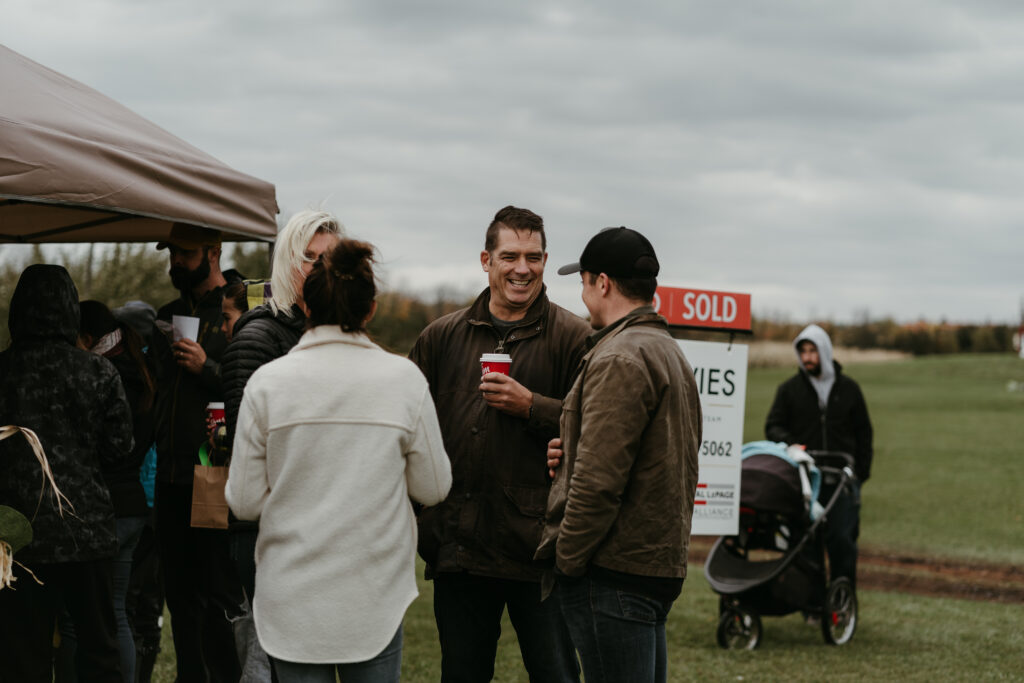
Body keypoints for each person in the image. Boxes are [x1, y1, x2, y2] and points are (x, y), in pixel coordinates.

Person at [226, 238, 452, 683]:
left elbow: (245, 501)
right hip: (373, 595)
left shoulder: (268, 384)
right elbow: (434, 486)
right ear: (370, 310)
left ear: (306, 308)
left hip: (291, 596)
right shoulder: (404, 380)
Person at [409, 205, 590, 683]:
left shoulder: (575, 339)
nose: (522, 269)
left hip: (539, 551)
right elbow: (407, 428)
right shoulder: (441, 337)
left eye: (533, 256)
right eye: (510, 255)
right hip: (460, 548)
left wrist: (534, 407)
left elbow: (599, 428)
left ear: (546, 260)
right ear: (485, 260)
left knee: (556, 675)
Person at [535, 227, 702, 683]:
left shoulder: (619, 358)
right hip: (652, 567)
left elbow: (599, 483)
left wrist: (567, 561)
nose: (583, 292)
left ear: (603, 283)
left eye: (584, 280)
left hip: (612, 573)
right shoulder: (667, 350)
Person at [219, 209, 343, 681]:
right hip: (268, 534)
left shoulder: (330, 335)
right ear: (287, 265)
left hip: (321, 529)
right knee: (272, 664)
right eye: (309, 258)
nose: (320, 270)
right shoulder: (260, 338)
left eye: (330, 260)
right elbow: (251, 456)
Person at [0, 264, 134, 683]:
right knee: (98, 650)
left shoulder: (1, 372)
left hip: (17, 536)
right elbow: (120, 450)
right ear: (70, 311)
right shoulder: (97, 372)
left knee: (21, 656)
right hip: (86, 532)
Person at [150, 222, 243, 682]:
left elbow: (255, 384)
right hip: (169, 478)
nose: (176, 263)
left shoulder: (241, 310)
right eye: (172, 253)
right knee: (180, 601)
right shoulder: (167, 313)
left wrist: (208, 368)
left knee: (217, 599)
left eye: (185, 254)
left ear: (214, 251)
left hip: (214, 475)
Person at [55, 300, 156, 683]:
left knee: (74, 617)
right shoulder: (139, 369)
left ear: (86, 338)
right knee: (116, 612)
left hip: (104, 507)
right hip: (133, 506)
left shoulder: (102, 375)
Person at [765, 323, 873, 586]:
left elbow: (864, 432)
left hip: (843, 482)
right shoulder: (789, 390)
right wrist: (792, 444)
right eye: (803, 351)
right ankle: (813, 604)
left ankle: (841, 603)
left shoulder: (849, 389)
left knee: (842, 541)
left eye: (813, 351)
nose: (807, 357)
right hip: (805, 480)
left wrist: (861, 472)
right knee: (807, 542)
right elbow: (773, 426)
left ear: (824, 351)